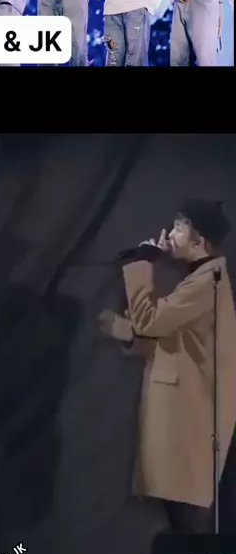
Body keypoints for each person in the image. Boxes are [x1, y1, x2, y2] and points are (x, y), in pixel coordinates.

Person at [99, 198, 236, 533]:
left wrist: (142, 263)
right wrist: (123, 329)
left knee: (190, 512)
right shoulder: (199, 282)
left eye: (178, 227)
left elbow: (150, 323)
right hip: (186, 411)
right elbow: (171, 341)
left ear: (198, 239)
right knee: (183, 510)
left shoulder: (206, 284)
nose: (170, 235)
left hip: (192, 414)